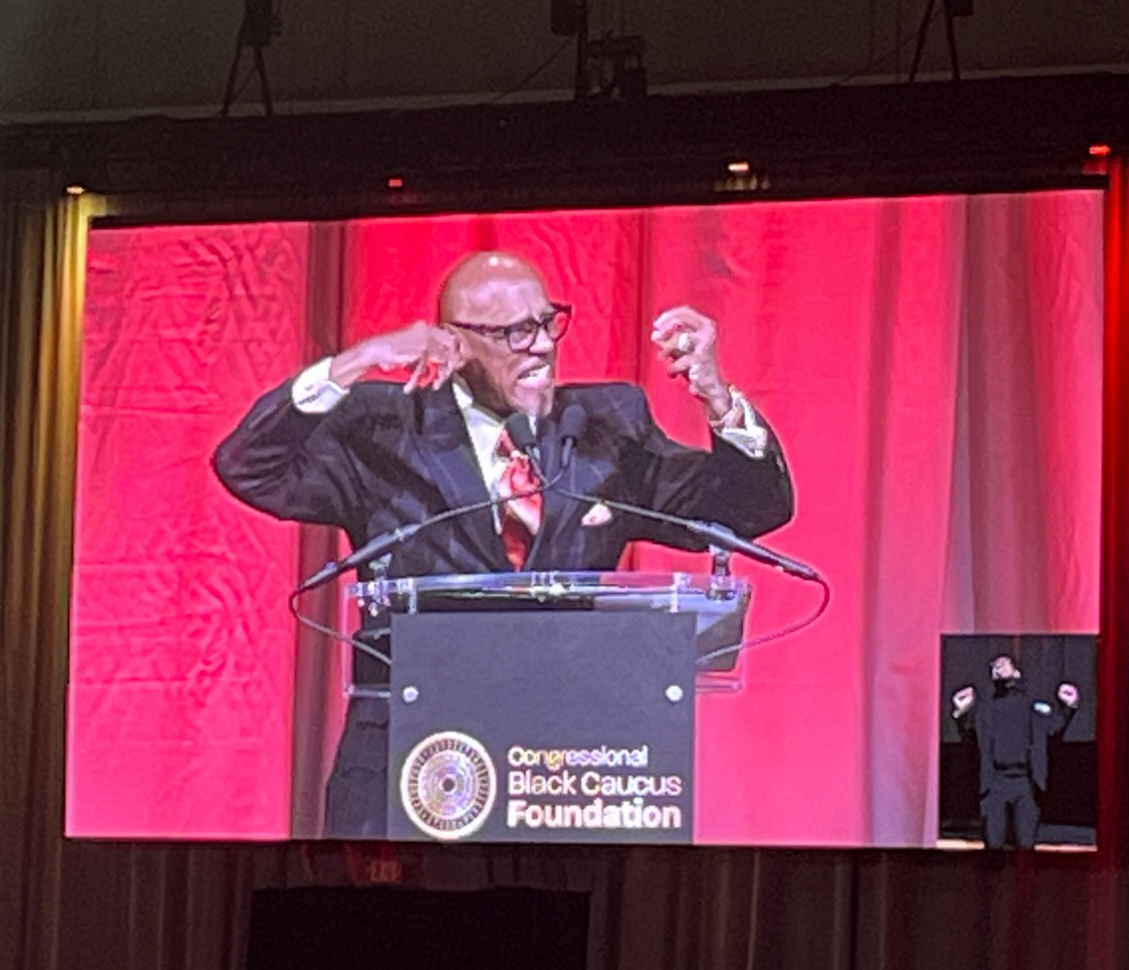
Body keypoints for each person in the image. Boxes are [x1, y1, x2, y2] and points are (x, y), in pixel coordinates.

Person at [213, 250, 795, 837]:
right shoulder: (384, 429)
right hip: (410, 766)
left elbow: (748, 509)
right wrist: (353, 363)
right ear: (455, 342)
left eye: (547, 321)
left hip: (566, 775)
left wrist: (719, 401)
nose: (541, 345)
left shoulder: (608, 423)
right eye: (514, 332)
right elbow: (249, 466)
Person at [951, 654, 1080, 850]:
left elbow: (1054, 727)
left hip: (1025, 784)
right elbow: (969, 734)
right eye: (994, 666)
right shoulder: (985, 709)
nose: (997, 667)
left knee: (1026, 845)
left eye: (1003, 664)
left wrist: (1068, 706)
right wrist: (960, 712)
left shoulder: (1031, 707)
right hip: (994, 783)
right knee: (993, 845)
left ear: (1016, 672)